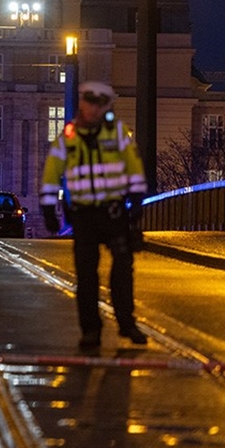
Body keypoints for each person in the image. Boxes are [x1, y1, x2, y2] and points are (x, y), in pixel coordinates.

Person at [40, 81, 149, 350]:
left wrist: (136, 199)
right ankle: (91, 331)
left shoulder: (118, 133)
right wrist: (48, 208)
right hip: (84, 215)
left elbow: (134, 167)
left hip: (112, 212)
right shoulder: (68, 137)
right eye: (88, 103)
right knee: (86, 275)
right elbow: (51, 174)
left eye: (98, 104)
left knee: (123, 268)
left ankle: (126, 323)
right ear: (82, 104)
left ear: (106, 107)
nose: (92, 109)